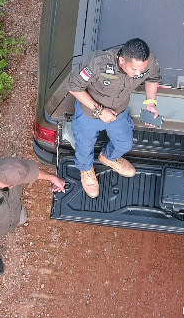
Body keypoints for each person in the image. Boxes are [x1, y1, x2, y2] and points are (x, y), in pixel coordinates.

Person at [63, 37, 160, 198]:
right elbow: (74, 87)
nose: (139, 74)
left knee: (125, 143)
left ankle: (108, 157)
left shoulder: (147, 62)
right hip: (89, 114)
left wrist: (151, 102)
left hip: (119, 112)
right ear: (122, 60)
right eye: (134, 70)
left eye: (141, 70)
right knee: (84, 147)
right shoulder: (97, 62)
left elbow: (153, 78)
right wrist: (100, 111)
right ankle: (86, 171)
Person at [0, 157, 65, 274]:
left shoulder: (7, 167)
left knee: (21, 217)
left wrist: (53, 178)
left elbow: (32, 173)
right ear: (12, 186)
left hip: (14, 208)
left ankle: (17, 219)